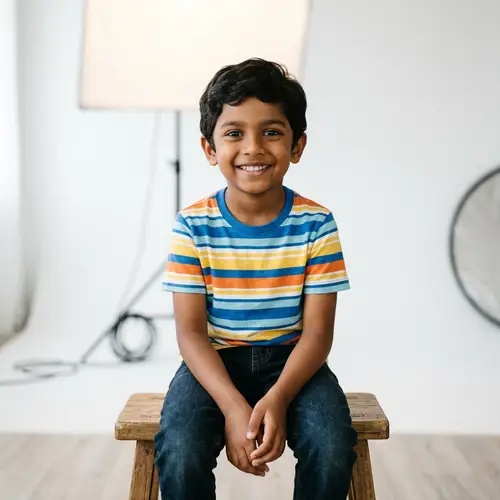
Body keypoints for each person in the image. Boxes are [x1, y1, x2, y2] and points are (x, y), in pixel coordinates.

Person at [154, 57, 357, 500]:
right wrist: (231, 406)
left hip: (295, 362)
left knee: (333, 444)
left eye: (271, 131)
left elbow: (319, 333)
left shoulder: (316, 224)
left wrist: (280, 397)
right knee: (179, 446)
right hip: (213, 361)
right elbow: (190, 333)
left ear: (297, 146)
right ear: (210, 149)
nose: (253, 148)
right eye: (234, 133)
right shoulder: (192, 226)